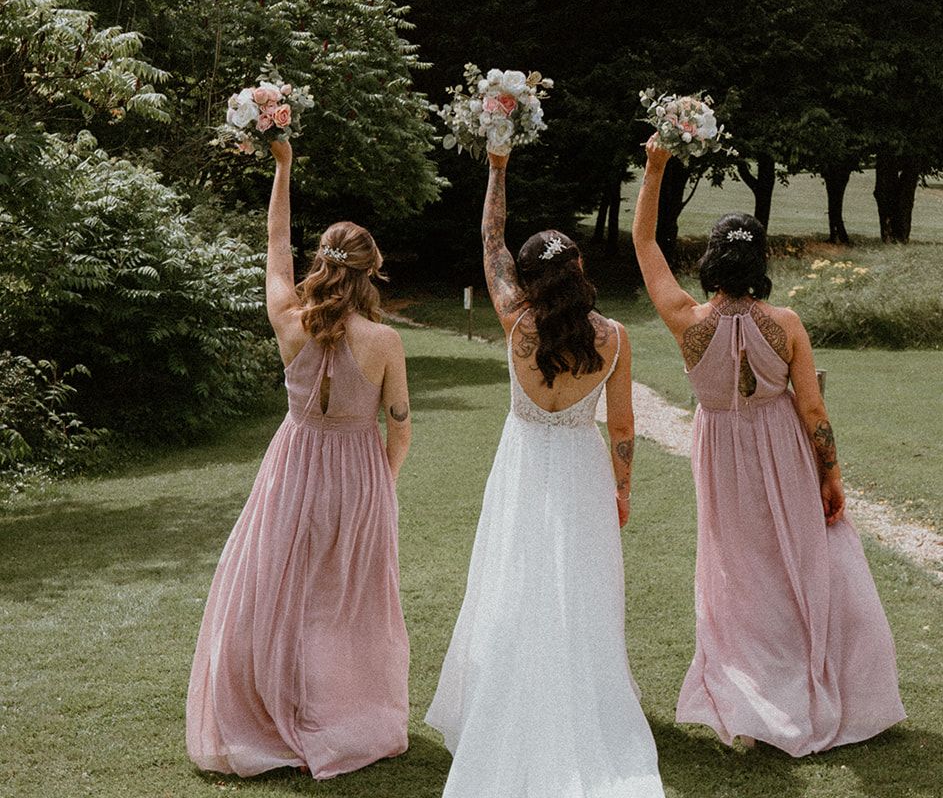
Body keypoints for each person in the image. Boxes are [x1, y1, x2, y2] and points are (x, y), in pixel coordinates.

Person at [632, 137, 905, 756]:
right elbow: (812, 409)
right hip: (782, 451)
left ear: (708, 264)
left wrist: (654, 169)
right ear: (757, 264)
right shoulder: (785, 325)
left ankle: (754, 691)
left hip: (720, 456)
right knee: (798, 562)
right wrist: (830, 475)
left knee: (739, 573)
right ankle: (811, 681)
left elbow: (644, 245)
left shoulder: (686, 321)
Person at [425, 149, 666, 797]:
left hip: (523, 463)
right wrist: (621, 488)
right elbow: (620, 427)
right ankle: (575, 695)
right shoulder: (613, 336)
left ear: (528, 279)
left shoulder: (514, 320)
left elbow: (489, 238)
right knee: (580, 583)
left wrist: (498, 167)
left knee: (515, 575)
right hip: (581, 468)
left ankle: (505, 691)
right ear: (580, 270)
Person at [186, 140, 412, 779]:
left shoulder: (289, 318)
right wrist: (383, 485)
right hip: (358, 473)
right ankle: (337, 713)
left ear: (323, 263)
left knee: (281, 588)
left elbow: (275, 241)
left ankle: (273, 705)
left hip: (292, 465)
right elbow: (399, 428)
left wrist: (283, 166)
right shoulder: (386, 340)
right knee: (343, 598)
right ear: (371, 272)